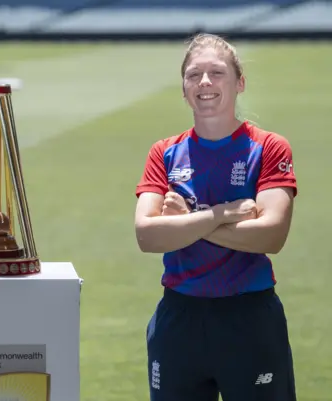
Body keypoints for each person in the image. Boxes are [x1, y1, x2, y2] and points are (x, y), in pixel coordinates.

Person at [134, 33, 298, 401]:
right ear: (183, 88)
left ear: (239, 83)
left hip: (249, 317)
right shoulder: (164, 153)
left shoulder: (269, 148)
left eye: (216, 73)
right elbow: (147, 235)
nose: (204, 83)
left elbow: (271, 235)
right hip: (179, 318)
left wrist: (184, 222)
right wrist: (222, 215)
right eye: (194, 75)